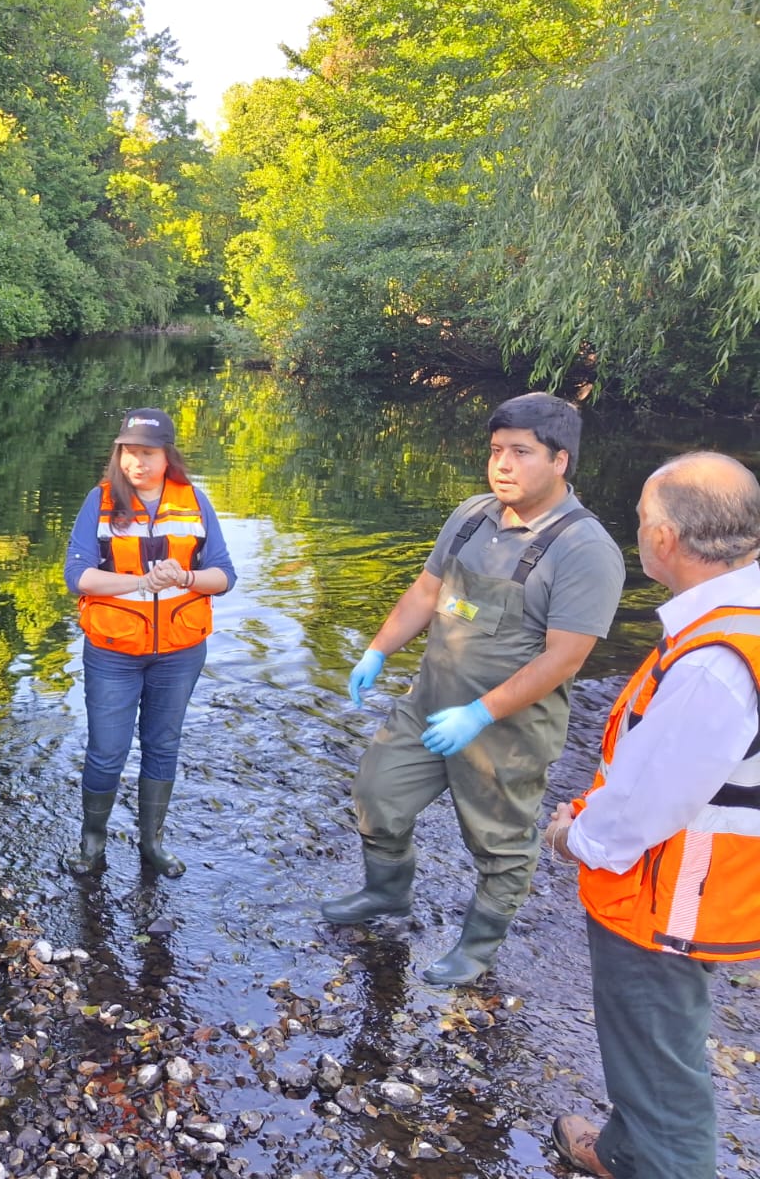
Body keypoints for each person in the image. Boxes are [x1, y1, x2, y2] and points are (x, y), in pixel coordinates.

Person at [322, 392, 626, 985]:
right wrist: (377, 650)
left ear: (560, 460)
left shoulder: (585, 549)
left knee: (501, 843)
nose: (502, 465)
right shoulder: (472, 515)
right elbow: (425, 592)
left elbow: (566, 658)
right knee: (376, 794)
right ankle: (387, 894)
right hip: (430, 703)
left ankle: (478, 947)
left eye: (520, 452)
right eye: (495, 451)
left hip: (506, 729)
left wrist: (480, 714)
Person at [543, 453, 760, 1179]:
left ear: (664, 540)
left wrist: (575, 835)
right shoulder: (739, 619)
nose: (637, 532)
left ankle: (655, 1155)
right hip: (712, 889)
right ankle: (621, 1150)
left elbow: (649, 800)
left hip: (670, 898)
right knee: (647, 1043)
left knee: (662, 1064)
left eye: (639, 519)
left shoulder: (711, 661)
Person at [61, 408, 235, 878]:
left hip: (179, 652)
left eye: (147, 452)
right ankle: (91, 843)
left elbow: (224, 576)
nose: (136, 462)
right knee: (107, 750)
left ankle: (151, 843)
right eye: (128, 452)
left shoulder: (195, 501)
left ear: (166, 455)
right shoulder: (98, 503)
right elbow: (76, 577)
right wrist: (140, 582)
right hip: (113, 651)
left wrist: (186, 576)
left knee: (163, 746)